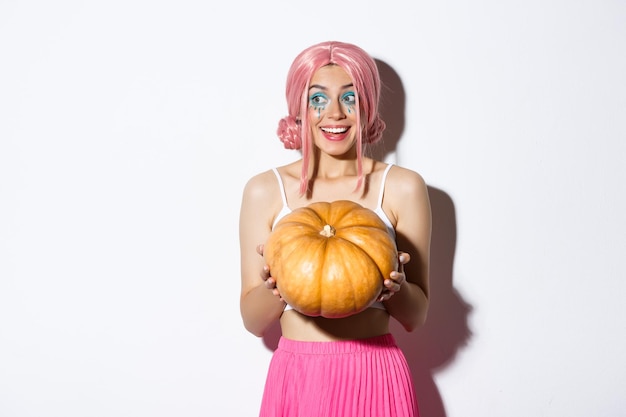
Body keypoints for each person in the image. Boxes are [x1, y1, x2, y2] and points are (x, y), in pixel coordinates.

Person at [239, 41, 432, 417]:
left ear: (368, 106)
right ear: (298, 108)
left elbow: (416, 316)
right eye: (317, 99)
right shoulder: (264, 191)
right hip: (297, 377)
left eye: (350, 98)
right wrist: (275, 286)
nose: (335, 114)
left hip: (375, 373)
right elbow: (252, 321)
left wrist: (394, 286)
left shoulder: (403, 187)